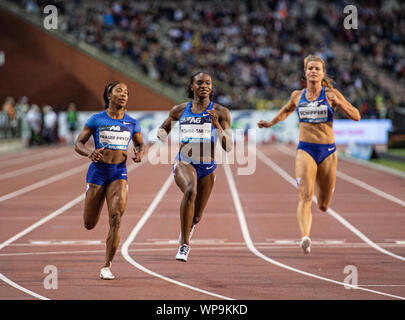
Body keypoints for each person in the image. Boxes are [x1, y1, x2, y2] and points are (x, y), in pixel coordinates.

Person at [257, 54, 361, 254]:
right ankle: (305, 236)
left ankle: (326, 192)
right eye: (310, 68)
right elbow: (286, 111)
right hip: (305, 149)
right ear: (305, 73)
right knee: (305, 196)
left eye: (317, 69)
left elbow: (356, 116)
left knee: (323, 205)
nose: (313, 71)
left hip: (328, 151)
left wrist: (338, 101)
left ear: (322, 74)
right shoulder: (298, 95)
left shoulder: (331, 94)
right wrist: (270, 123)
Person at [157, 72, 232, 262]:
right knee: (190, 190)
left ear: (212, 87)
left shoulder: (221, 112)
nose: (204, 86)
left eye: (208, 83)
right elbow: (164, 128)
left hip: (207, 166)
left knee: (197, 217)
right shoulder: (180, 110)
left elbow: (228, 146)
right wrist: (160, 135)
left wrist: (216, 125)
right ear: (192, 86)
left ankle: (189, 226)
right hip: (184, 161)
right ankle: (184, 245)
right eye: (199, 83)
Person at [74, 81, 145, 279]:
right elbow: (78, 143)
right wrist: (89, 153)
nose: (124, 95)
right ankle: (91, 215)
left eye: (127, 93)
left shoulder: (132, 122)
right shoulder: (96, 119)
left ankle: (106, 266)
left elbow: (140, 144)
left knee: (116, 218)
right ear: (108, 94)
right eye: (119, 91)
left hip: (118, 173)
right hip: (97, 172)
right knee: (89, 223)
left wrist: (139, 154)